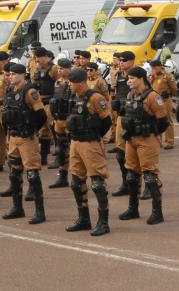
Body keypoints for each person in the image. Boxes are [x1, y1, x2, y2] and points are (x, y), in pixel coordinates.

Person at [119, 66, 169, 225]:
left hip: (147, 140)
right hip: (131, 139)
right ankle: (133, 209)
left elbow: (163, 122)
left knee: (150, 177)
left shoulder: (153, 96)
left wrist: (152, 134)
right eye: (128, 79)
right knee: (131, 176)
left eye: (132, 78)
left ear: (141, 78)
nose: (129, 82)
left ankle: (157, 212)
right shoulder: (131, 94)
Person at [65, 68, 112, 236]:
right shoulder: (73, 97)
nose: (69, 84)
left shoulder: (95, 98)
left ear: (80, 82)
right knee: (76, 181)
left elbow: (106, 121)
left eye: (71, 82)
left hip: (90, 143)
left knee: (97, 183)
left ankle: (103, 222)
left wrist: (97, 136)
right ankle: (83, 218)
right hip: (75, 142)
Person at [0, 63, 47, 224]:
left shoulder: (30, 92)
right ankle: (17, 208)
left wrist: (31, 129)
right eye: (9, 74)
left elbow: (41, 115)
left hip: (27, 138)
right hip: (13, 137)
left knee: (32, 175)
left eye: (13, 74)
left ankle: (40, 212)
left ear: (23, 75)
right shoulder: (9, 91)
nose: (10, 76)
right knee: (14, 173)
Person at [109, 51, 134, 196]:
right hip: (121, 116)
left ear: (132, 61)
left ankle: (148, 186)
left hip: (135, 117)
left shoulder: (139, 74)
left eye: (124, 60)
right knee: (120, 154)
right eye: (120, 60)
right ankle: (126, 183)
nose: (121, 62)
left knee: (139, 155)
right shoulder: (118, 75)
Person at [47, 57, 73, 188]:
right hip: (58, 120)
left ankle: (77, 177)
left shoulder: (74, 82)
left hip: (70, 121)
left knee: (74, 151)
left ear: (69, 68)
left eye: (62, 68)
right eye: (58, 68)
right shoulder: (57, 82)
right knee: (61, 151)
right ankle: (63, 178)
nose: (59, 70)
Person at [30, 48, 56, 171]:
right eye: (36, 57)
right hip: (38, 101)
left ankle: (45, 155)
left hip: (49, 101)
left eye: (39, 57)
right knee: (38, 128)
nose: (38, 60)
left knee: (46, 128)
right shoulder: (37, 68)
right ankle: (41, 154)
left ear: (46, 57)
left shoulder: (53, 69)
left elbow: (60, 84)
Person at [149, 59, 177, 151]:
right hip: (155, 101)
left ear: (160, 66)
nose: (153, 69)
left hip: (165, 100)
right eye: (152, 67)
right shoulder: (152, 76)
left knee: (168, 121)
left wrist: (168, 93)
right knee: (156, 121)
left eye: (154, 67)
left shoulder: (168, 76)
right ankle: (158, 141)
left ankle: (170, 142)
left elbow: (174, 88)